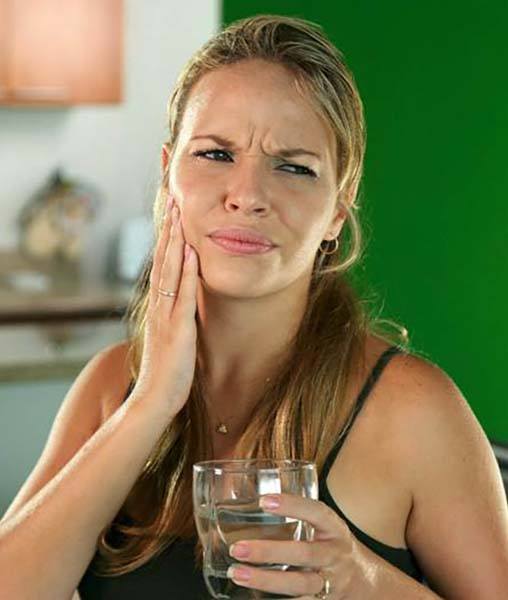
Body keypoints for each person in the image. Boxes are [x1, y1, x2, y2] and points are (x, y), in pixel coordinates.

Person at [1, 14, 507, 600]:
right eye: (216, 154)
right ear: (169, 177)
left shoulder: (414, 411)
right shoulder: (112, 385)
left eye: (293, 167)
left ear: (337, 214)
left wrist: (360, 580)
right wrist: (151, 404)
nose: (248, 195)